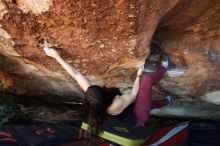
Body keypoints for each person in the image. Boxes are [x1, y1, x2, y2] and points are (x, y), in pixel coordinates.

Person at [42, 44, 172, 138]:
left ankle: (167, 101)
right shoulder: (114, 105)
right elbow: (133, 93)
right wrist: (139, 74)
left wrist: (56, 56)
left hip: (129, 110)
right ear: (104, 96)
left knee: (146, 102)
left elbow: (75, 75)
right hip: (138, 118)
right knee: (147, 82)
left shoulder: (94, 100)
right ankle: (165, 69)